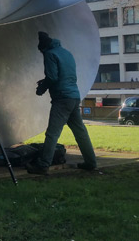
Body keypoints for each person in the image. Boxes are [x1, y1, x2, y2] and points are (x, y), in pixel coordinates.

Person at [25, 31, 97, 175]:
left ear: (43, 48)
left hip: (62, 99)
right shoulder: (66, 53)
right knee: (80, 132)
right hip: (74, 96)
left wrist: (41, 88)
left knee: (52, 133)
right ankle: (91, 162)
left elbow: (52, 77)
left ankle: (43, 165)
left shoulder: (49, 54)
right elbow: (65, 75)